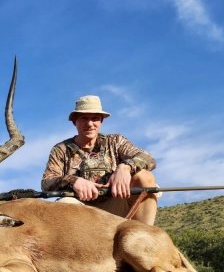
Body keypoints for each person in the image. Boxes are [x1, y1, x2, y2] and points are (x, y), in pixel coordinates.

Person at [41, 95, 158, 225]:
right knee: (63, 204)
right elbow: (47, 182)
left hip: (117, 205)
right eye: (84, 118)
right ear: (75, 121)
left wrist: (125, 167)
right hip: (80, 210)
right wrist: (73, 180)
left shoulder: (115, 141)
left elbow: (148, 159)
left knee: (144, 176)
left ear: (101, 121)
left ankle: (144, 236)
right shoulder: (61, 149)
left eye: (95, 118)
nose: (90, 124)